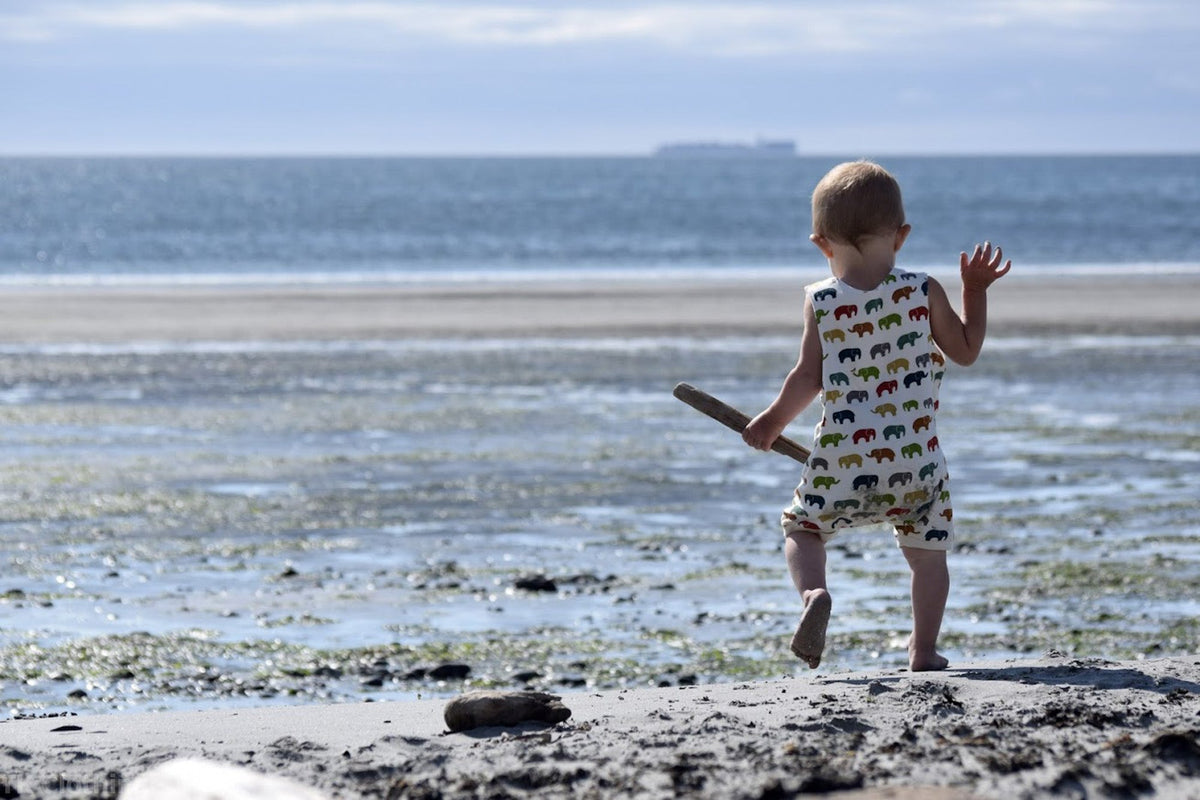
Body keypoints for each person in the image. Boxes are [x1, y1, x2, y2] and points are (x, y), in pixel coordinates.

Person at [741, 160, 1011, 672]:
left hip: (841, 456)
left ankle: (814, 595)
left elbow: (807, 377)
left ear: (821, 243)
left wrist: (772, 421)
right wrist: (974, 291)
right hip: (917, 464)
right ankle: (923, 650)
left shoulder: (821, 301)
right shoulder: (922, 290)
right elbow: (967, 351)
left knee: (802, 528)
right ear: (902, 236)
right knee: (928, 555)